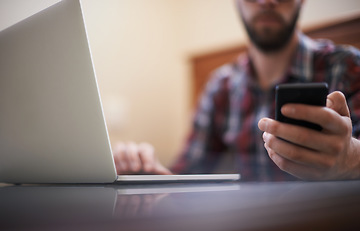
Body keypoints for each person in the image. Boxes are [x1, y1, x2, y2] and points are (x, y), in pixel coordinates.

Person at [113, 0, 360, 181]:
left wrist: (350, 160)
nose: (267, 2)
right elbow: (187, 175)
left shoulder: (347, 67)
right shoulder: (220, 86)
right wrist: (146, 175)